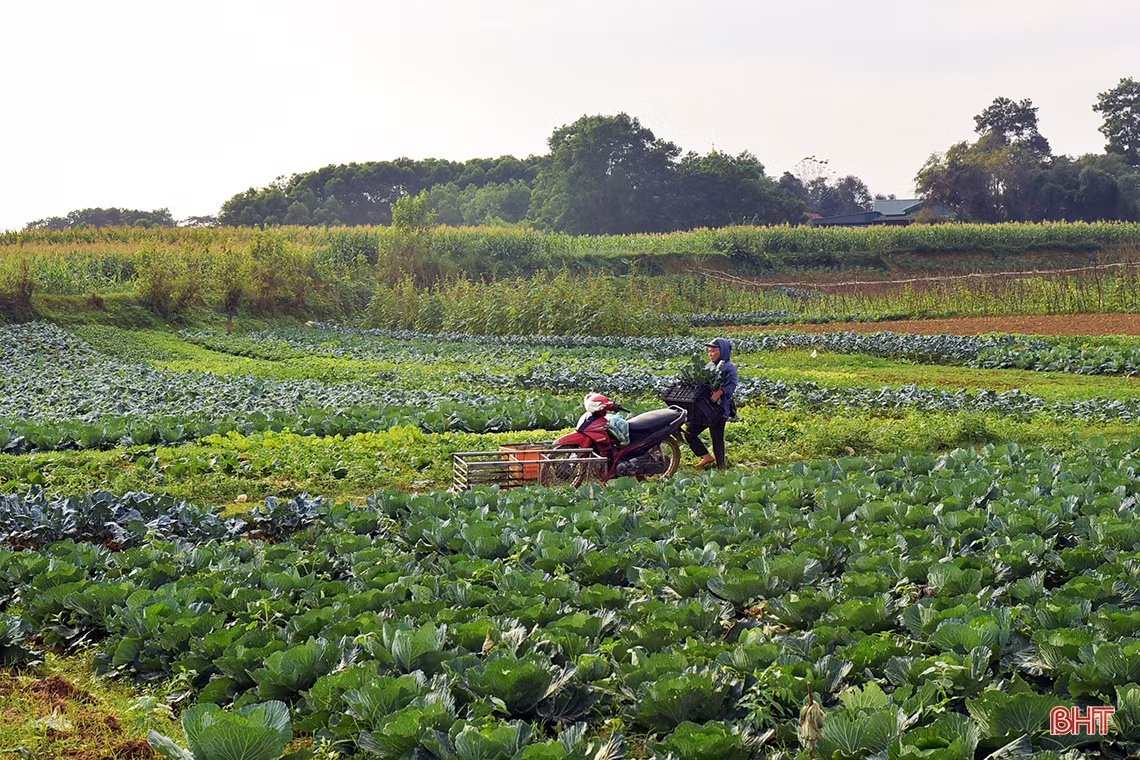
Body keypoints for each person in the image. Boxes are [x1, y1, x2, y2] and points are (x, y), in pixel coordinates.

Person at [685, 337, 737, 469]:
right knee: (689, 433)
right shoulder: (708, 367)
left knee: (717, 439)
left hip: (718, 410)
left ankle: (721, 467)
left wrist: (720, 392)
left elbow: (732, 385)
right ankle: (706, 456)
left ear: (723, 351)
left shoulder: (729, 367)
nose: (710, 353)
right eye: (709, 351)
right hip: (703, 409)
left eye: (713, 351)